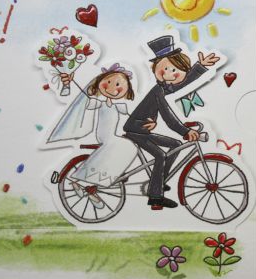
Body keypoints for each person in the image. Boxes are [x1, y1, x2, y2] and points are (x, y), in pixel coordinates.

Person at [124, 35, 220, 210]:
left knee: (175, 145)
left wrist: (200, 67)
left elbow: (181, 83)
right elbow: (168, 117)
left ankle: (158, 181)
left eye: (175, 69)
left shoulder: (163, 87)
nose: (170, 73)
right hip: (135, 130)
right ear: (156, 68)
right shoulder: (158, 91)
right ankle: (155, 197)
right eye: (165, 68)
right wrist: (185, 131)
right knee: (160, 155)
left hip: (143, 130)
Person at [49, 64, 137, 209]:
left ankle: (98, 180)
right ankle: (90, 179)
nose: (112, 88)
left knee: (127, 145)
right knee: (127, 146)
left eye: (118, 85)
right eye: (108, 82)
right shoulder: (100, 103)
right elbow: (88, 100)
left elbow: (131, 115)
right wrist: (78, 86)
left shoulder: (118, 106)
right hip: (105, 136)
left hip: (112, 135)